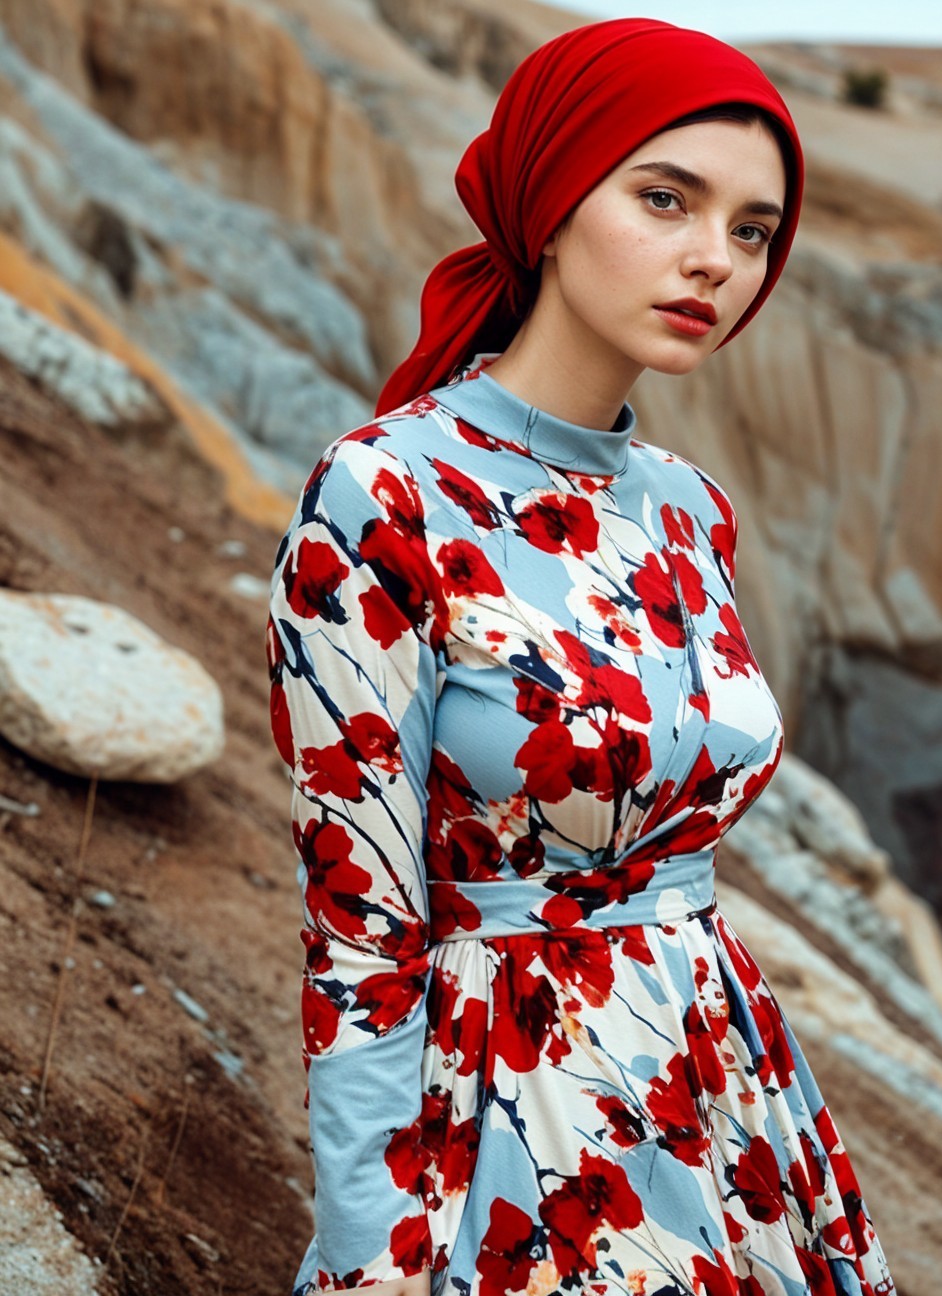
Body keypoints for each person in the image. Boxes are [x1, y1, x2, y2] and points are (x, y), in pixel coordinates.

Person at [263, 17, 898, 1295]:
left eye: (752, 229)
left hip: (725, 1084)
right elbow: (359, 930)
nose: (711, 258)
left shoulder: (687, 505)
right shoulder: (385, 492)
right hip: (518, 1107)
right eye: (665, 199)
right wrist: (365, 1241)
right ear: (550, 203)